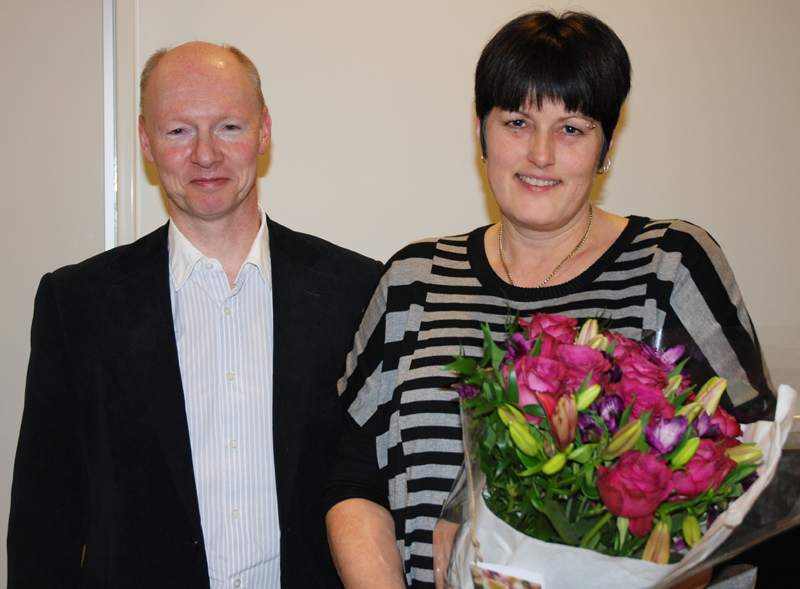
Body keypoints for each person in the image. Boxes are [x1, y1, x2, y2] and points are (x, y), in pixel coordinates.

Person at [324, 11, 774, 589]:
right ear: (481, 133)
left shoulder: (671, 265)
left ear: (606, 145)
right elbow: (354, 480)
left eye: (572, 128)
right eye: (516, 121)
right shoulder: (415, 278)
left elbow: (740, 482)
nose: (540, 154)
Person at [7, 42, 381, 588]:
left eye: (229, 127)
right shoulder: (76, 304)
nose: (205, 155)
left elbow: (381, 492)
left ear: (264, 131)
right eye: (178, 130)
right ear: (145, 142)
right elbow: (46, 520)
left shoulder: (358, 292)